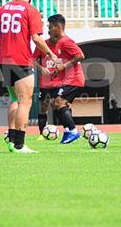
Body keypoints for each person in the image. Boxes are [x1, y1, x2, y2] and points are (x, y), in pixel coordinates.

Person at [0, 0, 57, 154]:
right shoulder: (31, 10)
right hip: (21, 61)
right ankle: (19, 144)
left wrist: (3, 47)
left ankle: (11, 141)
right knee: (25, 102)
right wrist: (50, 53)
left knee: (15, 100)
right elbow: (36, 38)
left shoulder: (4, 8)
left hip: (4, 61)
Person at [34, 14, 85, 144]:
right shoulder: (49, 43)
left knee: (58, 103)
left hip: (74, 78)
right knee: (55, 104)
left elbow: (80, 55)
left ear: (58, 27)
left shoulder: (66, 41)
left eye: (50, 26)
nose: (48, 29)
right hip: (67, 79)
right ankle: (68, 131)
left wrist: (63, 66)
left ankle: (73, 131)